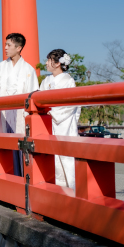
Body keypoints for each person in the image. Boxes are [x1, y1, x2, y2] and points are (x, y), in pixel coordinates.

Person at [0, 33, 39, 175]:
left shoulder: (29, 70)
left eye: (8, 45)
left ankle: (22, 179)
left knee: (21, 149)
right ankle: (2, 180)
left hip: (20, 115)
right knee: (3, 149)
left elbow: (33, 95)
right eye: (5, 44)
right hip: (1, 114)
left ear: (19, 48)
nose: (5, 48)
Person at [41, 49, 81, 189]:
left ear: (57, 63)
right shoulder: (46, 81)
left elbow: (73, 105)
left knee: (67, 158)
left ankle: (72, 189)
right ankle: (55, 189)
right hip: (49, 123)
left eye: (49, 60)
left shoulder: (69, 81)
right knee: (53, 159)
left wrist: (52, 111)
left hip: (65, 123)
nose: (46, 63)